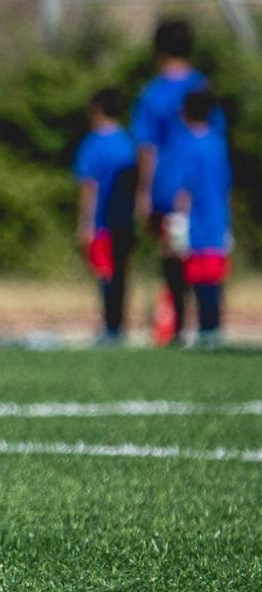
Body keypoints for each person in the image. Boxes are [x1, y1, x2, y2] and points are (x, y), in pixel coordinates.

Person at [130, 19, 221, 340]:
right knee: (205, 253)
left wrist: (143, 191)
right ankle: (207, 327)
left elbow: (147, 146)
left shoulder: (153, 93)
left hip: (168, 186)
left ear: (158, 50)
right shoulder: (203, 86)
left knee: (173, 254)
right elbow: (216, 138)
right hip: (205, 192)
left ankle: (180, 324)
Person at [164, 90, 232, 347]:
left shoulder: (187, 145)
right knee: (213, 278)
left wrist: (178, 221)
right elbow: (225, 186)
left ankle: (194, 329)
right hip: (217, 219)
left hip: (197, 221)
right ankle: (212, 328)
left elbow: (184, 189)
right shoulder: (217, 143)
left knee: (194, 276)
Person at [73, 88, 138, 344]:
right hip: (125, 219)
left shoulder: (93, 143)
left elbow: (89, 186)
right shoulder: (129, 142)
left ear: (97, 110)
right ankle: (119, 324)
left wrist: (84, 223)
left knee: (105, 274)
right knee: (122, 273)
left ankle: (110, 327)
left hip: (102, 220)